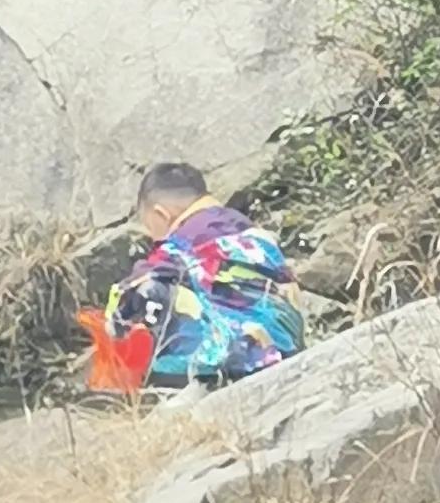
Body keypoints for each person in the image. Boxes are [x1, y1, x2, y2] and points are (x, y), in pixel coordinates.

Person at [80, 162, 305, 391]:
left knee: (149, 293)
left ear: (161, 215)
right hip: (288, 346)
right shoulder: (257, 235)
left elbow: (132, 292)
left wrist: (114, 324)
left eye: (151, 229)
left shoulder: (183, 241)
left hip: (241, 359)